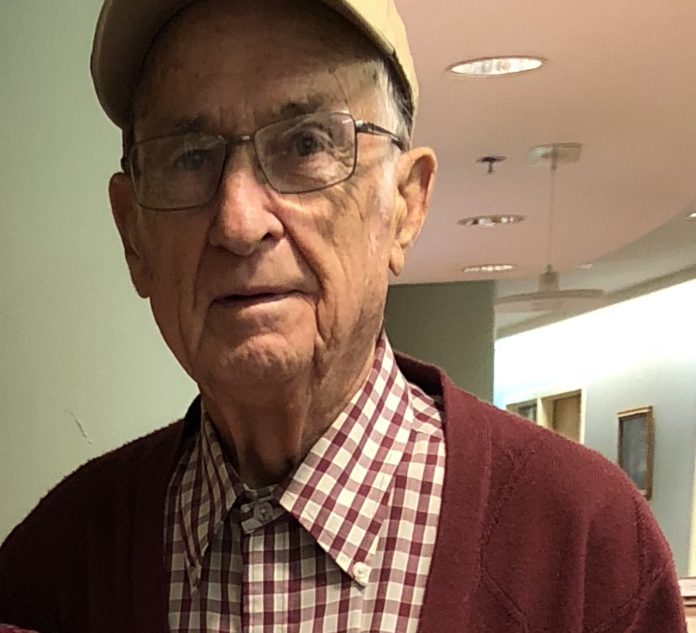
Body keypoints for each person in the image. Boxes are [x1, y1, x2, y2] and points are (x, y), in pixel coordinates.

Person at [0, 0, 687, 631]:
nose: (238, 221)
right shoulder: (52, 567)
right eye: (189, 157)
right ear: (134, 235)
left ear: (406, 207)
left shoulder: (585, 550)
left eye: (305, 144)